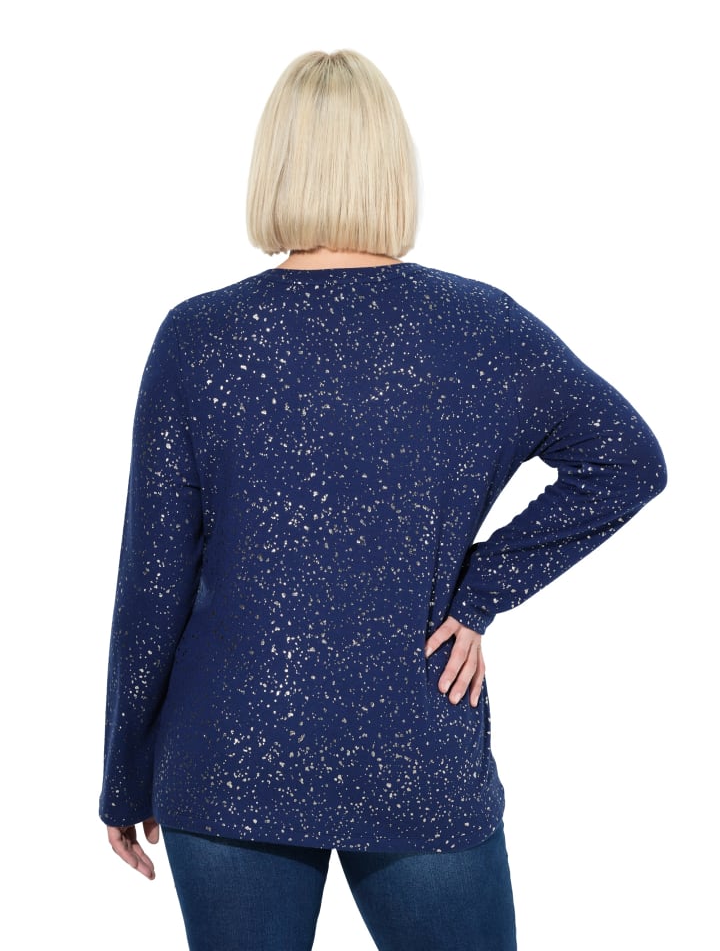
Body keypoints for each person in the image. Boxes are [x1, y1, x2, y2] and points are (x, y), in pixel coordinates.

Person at [100, 50, 666, 951]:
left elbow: (151, 583)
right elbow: (628, 459)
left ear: (274, 164)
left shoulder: (199, 335)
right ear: (392, 165)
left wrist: (124, 775)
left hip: (231, 752)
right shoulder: (478, 325)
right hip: (414, 735)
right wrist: (476, 595)